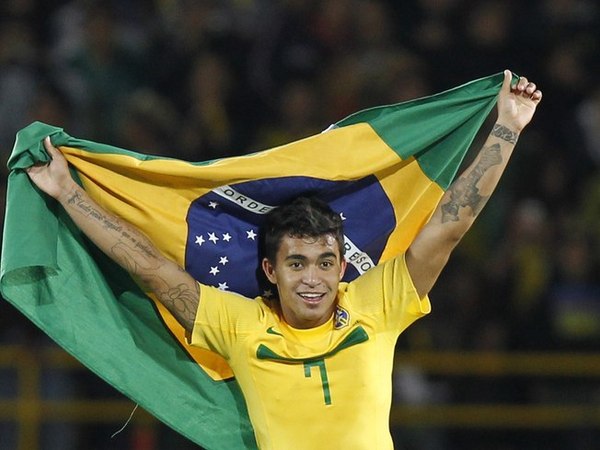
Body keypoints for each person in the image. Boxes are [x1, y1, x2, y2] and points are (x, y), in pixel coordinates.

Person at [26, 69, 541, 449]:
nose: (313, 278)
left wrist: (507, 128)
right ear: (270, 271)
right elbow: (149, 267)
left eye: (324, 262)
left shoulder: (376, 303)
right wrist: (69, 193)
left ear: (343, 267)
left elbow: (449, 226)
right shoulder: (238, 324)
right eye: (297, 263)